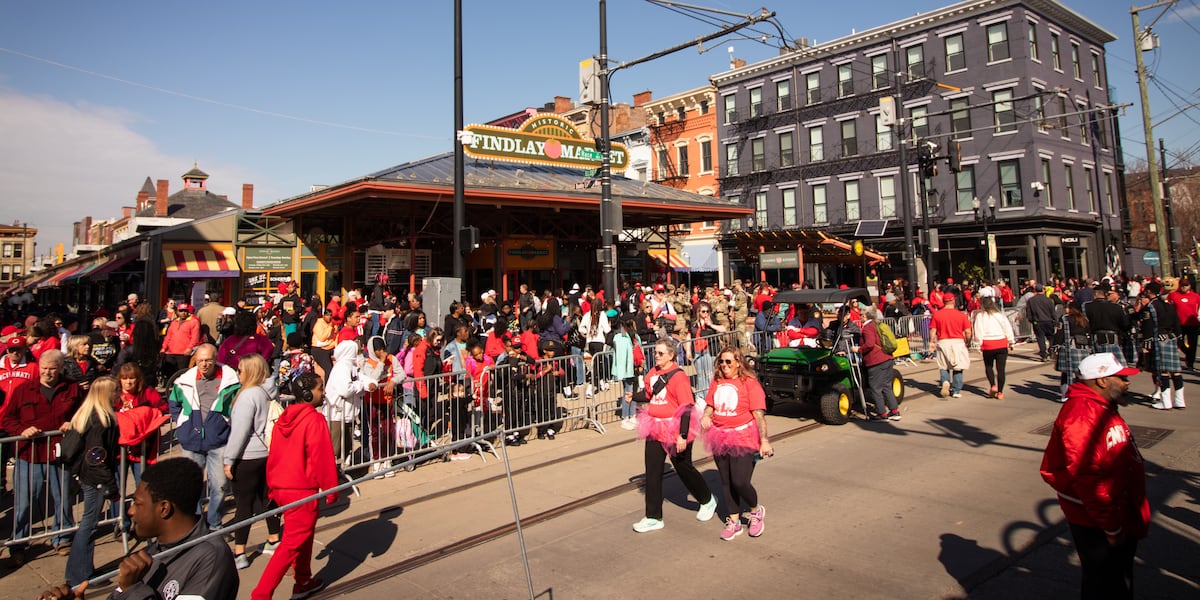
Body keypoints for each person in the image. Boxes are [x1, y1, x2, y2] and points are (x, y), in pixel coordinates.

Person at [36, 457, 240, 600]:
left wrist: (132, 590)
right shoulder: (150, 555)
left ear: (164, 508)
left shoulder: (211, 558)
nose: (131, 511)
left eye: (137, 503)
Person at [1040, 353, 1149, 599]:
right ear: (1101, 381)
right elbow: (1087, 476)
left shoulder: (1102, 405)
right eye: (1120, 378)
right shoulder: (1081, 415)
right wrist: (1111, 527)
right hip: (1098, 519)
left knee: (1116, 579)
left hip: (1116, 510)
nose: (1127, 383)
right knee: (1105, 583)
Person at [251, 372, 339, 600]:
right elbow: (322, 457)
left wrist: (273, 485)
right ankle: (261, 594)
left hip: (282, 487)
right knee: (291, 543)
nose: (323, 392)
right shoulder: (314, 419)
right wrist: (331, 489)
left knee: (303, 536)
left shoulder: (284, 417)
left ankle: (303, 580)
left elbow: (275, 454)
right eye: (320, 389)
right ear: (308, 394)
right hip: (302, 490)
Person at [2, 350, 82, 562]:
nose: (47, 372)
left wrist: (73, 422)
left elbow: (84, 412)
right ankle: (18, 543)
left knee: (63, 497)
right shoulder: (22, 389)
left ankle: (62, 537)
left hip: (60, 453)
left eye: (52, 368)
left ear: (60, 367)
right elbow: (6, 419)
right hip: (29, 454)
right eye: (44, 368)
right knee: (25, 501)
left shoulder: (72, 387)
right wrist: (22, 430)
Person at [631, 339, 717, 533]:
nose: (656, 356)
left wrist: (682, 435)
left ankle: (707, 500)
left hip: (676, 427)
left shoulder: (679, 377)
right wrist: (633, 397)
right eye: (655, 352)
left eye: (661, 353)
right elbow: (649, 394)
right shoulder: (652, 373)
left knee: (683, 467)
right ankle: (653, 517)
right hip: (654, 426)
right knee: (652, 471)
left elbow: (686, 406)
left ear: (671, 355)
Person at [700, 346, 773, 541]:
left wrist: (764, 440)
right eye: (721, 362)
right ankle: (734, 521)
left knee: (740, 481)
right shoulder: (717, 381)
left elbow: (758, 414)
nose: (724, 366)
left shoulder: (749, 383)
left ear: (738, 363)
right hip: (720, 435)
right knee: (726, 482)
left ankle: (755, 511)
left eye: (728, 362)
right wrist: (706, 416)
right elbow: (710, 405)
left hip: (743, 436)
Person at [166, 343, 241, 531]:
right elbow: (174, 404)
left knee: (220, 486)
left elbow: (237, 405)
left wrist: (227, 424)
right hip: (191, 441)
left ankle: (214, 522)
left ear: (215, 359)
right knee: (193, 486)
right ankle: (198, 524)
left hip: (218, 440)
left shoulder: (231, 380)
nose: (204, 364)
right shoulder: (184, 381)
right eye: (200, 361)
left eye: (208, 360)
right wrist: (183, 423)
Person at [221, 354, 282, 569]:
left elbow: (240, 431)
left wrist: (229, 459)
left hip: (246, 456)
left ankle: (240, 552)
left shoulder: (248, 396)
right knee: (267, 498)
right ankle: (274, 538)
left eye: (240, 370)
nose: (237, 373)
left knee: (243, 505)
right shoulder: (267, 392)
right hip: (266, 453)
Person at [62, 375, 120, 587]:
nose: (119, 394)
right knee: (89, 526)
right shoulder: (99, 421)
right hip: (95, 479)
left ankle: (82, 570)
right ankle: (80, 575)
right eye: (116, 391)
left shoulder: (90, 415)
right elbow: (96, 457)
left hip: (90, 476)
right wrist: (110, 487)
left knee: (88, 525)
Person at [324, 339, 375, 465]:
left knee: (346, 448)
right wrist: (360, 385)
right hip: (337, 414)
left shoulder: (352, 367)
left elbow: (362, 378)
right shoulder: (341, 368)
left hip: (348, 414)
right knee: (335, 449)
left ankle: (341, 474)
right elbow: (345, 390)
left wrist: (369, 383)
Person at [1139, 282, 1186, 410]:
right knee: (1176, 371)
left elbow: (1147, 326)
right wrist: (1179, 339)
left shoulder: (1151, 306)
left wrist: (1146, 344)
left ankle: (1166, 402)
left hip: (1159, 339)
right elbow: (1177, 323)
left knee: (1163, 371)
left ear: (1149, 292)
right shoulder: (1168, 305)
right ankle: (1180, 401)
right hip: (1171, 338)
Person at [856, 306, 900, 421]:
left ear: (865, 316)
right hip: (887, 358)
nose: (860, 317)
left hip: (875, 361)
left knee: (876, 387)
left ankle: (882, 413)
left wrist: (859, 349)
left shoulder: (867, 328)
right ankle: (894, 411)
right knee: (887, 386)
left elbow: (870, 344)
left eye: (861, 315)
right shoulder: (877, 325)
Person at [972, 297, 1015, 400]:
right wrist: (1011, 341)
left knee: (988, 366)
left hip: (988, 344)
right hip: (1001, 342)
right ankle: (1000, 392)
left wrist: (978, 344)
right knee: (1001, 369)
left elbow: (979, 331)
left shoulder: (981, 316)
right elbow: (1007, 328)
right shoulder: (1000, 315)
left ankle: (993, 385)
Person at [930, 291, 972, 398]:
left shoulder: (937, 314)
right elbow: (968, 331)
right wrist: (968, 341)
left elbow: (933, 330)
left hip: (943, 341)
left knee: (944, 365)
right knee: (958, 367)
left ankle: (945, 382)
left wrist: (932, 342)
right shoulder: (961, 315)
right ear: (953, 301)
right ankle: (956, 391)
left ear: (943, 302)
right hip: (957, 341)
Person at [1055, 301, 1092, 402]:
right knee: (1080, 373)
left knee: (1066, 372)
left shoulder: (1065, 319)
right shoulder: (1085, 320)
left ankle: (1065, 395)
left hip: (1069, 346)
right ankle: (1081, 393)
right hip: (1083, 348)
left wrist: (1055, 345)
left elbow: (1059, 333)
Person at [160, 302, 201, 380]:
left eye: (185, 311)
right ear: (178, 312)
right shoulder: (174, 322)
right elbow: (168, 336)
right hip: (171, 352)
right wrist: (164, 348)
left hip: (183, 353)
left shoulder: (194, 321)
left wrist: (189, 348)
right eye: (181, 311)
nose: (183, 313)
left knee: (182, 374)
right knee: (170, 374)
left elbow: (195, 338)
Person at [1026, 285, 1058, 361]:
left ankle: (1044, 355)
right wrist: (1055, 320)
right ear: (1043, 290)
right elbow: (1053, 312)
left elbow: (1029, 312)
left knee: (1041, 339)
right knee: (1051, 337)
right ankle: (1051, 350)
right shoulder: (1049, 300)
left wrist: (1031, 320)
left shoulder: (1031, 300)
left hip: (1038, 322)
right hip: (1048, 321)